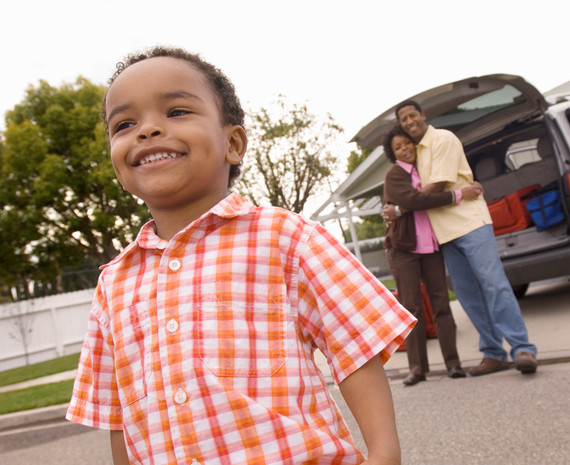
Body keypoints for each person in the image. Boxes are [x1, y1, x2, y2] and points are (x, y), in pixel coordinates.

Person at [65, 46, 416, 465]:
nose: (148, 130)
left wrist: (384, 453)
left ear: (233, 143)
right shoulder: (114, 282)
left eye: (176, 112)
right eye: (124, 123)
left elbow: (355, 347)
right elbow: (120, 414)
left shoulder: (286, 238)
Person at [384, 99, 538, 377]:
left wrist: (401, 207)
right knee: (469, 296)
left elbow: (436, 187)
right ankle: (493, 353)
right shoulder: (413, 153)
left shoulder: (443, 139)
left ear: (423, 114)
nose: (409, 122)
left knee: (494, 285)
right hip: (443, 234)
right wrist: (395, 204)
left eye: (412, 116)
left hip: (470, 223)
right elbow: (407, 188)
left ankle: (522, 348)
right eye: (403, 119)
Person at [382, 125, 481, 386]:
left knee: (441, 306)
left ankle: (453, 363)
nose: (405, 149)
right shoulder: (394, 175)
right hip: (404, 250)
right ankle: (417, 368)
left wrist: (401, 209)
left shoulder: (426, 169)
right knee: (411, 308)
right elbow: (416, 201)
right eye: (398, 147)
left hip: (432, 248)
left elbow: (422, 198)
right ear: (392, 154)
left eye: (407, 144)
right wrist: (458, 195)